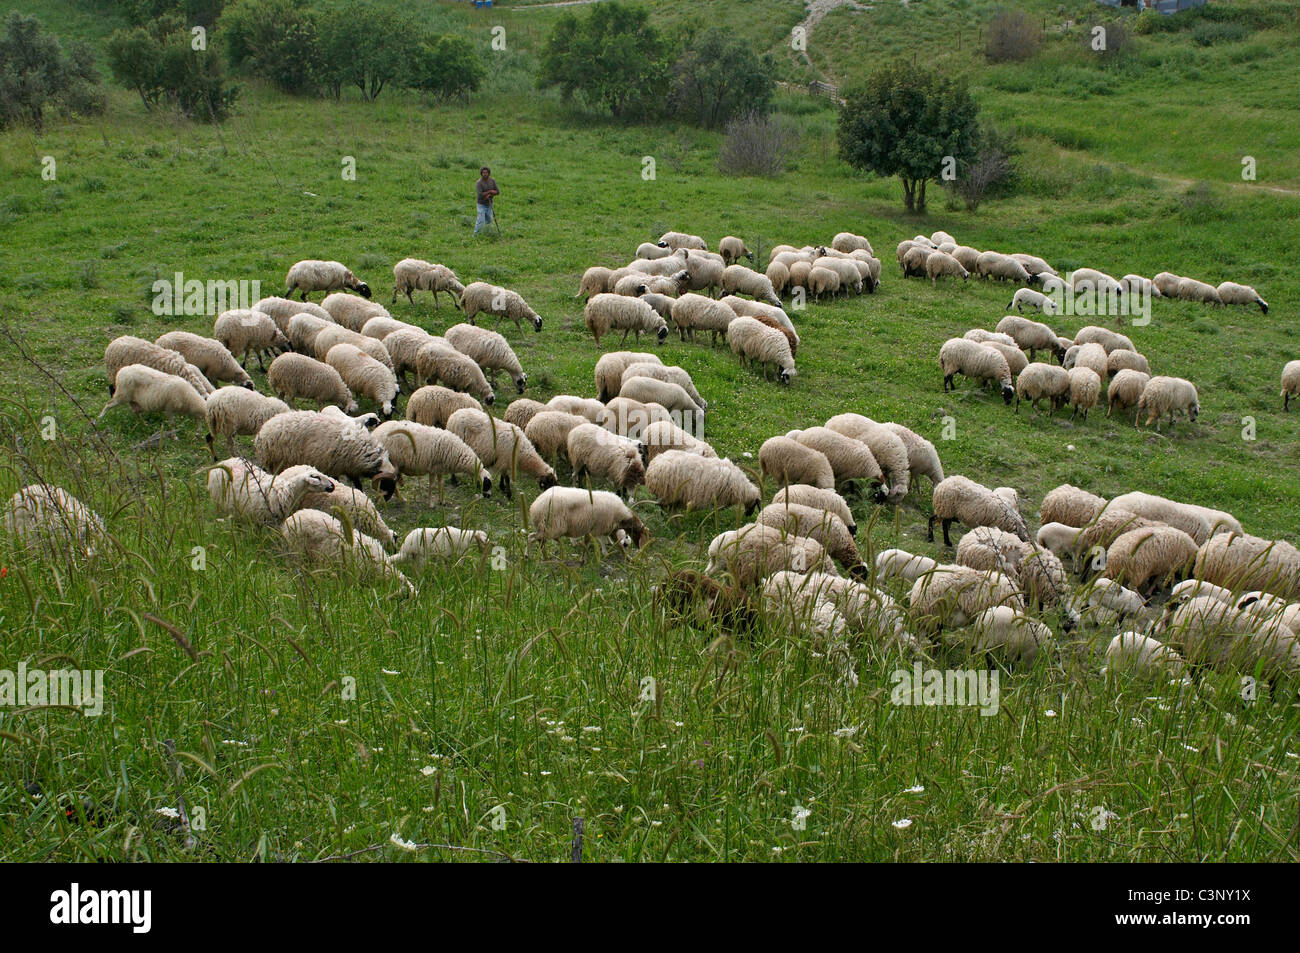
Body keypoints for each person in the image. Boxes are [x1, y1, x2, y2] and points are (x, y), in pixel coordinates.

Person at [474, 166, 499, 235]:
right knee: (480, 220)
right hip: (481, 204)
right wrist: (490, 191)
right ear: (481, 174)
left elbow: (497, 191)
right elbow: (480, 194)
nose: (485, 174)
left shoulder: (492, 181)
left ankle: (487, 232)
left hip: (489, 203)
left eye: (486, 172)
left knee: (489, 220)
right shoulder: (479, 183)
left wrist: (491, 194)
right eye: (483, 173)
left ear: (489, 173)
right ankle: (476, 234)